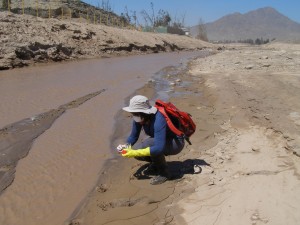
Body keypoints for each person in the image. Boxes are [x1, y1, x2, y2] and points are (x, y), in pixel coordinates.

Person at [118, 95, 185, 185]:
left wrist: (134, 152)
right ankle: (156, 163)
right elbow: (133, 136)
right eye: (133, 113)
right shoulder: (139, 117)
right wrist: (126, 146)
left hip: (176, 143)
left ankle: (164, 173)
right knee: (140, 150)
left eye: (135, 113)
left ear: (144, 112)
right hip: (161, 140)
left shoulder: (158, 119)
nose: (134, 116)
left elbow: (158, 148)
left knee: (148, 144)